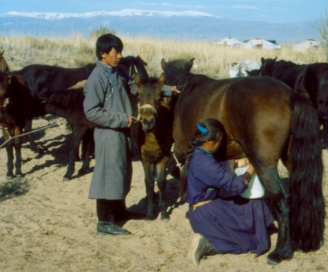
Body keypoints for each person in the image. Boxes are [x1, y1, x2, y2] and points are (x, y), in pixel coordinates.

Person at [83, 33, 179, 236]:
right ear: (103, 54)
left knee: (121, 173)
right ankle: (104, 222)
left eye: (120, 52)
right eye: (115, 52)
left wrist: (169, 89)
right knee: (108, 176)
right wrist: (121, 119)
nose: (119, 56)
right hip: (109, 133)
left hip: (122, 132)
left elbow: (140, 88)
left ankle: (119, 212)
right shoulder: (96, 78)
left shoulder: (118, 72)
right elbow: (91, 111)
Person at [183, 118, 274, 265]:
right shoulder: (205, 163)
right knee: (245, 243)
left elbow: (219, 168)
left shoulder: (199, 153)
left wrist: (240, 162)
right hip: (206, 215)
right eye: (219, 141)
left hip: (205, 207)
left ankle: (261, 226)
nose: (220, 145)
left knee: (251, 204)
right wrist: (252, 168)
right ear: (209, 142)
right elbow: (236, 186)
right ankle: (206, 244)